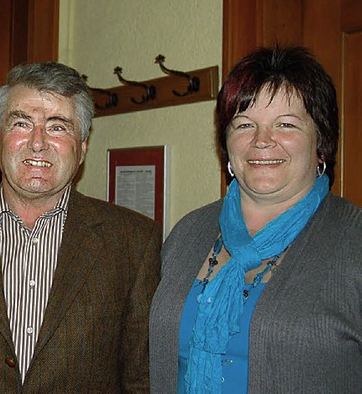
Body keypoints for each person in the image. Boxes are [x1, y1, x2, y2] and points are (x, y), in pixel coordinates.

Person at [0, 61, 162, 392]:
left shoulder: (134, 241)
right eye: (21, 124)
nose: (38, 143)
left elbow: (141, 380)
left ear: (82, 149)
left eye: (57, 127)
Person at [149, 46, 362, 393]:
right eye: (245, 124)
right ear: (226, 143)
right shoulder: (189, 232)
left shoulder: (354, 241)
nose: (262, 141)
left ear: (321, 141)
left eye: (286, 124)